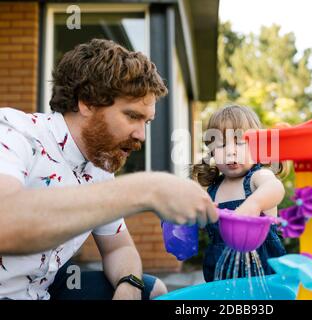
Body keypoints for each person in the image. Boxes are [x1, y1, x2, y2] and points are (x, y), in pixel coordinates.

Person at [0, 39, 218, 300]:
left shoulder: (98, 165)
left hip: (44, 290)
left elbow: (118, 249)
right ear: (87, 103)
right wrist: (147, 189)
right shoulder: (14, 132)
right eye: (132, 116)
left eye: (146, 121)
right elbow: (6, 222)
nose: (141, 135)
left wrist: (129, 284)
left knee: (152, 290)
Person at [192, 105, 286, 282]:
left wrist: (253, 204)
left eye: (240, 142)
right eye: (221, 145)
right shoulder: (214, 188)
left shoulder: (258, 177)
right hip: (220, 278)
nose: (230, 151)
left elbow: (275, 188)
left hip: (263, 279)